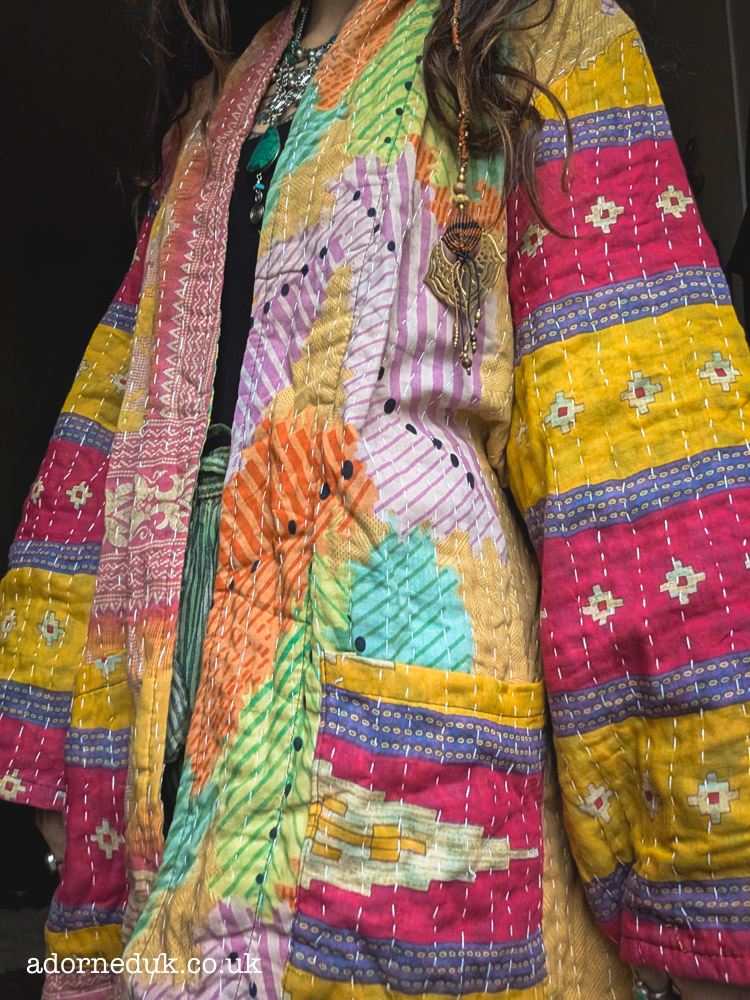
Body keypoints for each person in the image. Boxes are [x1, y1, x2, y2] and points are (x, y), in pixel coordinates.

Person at [1, 0, 749, 997]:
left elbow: (644, 469)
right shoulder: (211, 111)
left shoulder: (551, 39)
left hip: (412, 816)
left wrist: (703, 875)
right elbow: (106, 428)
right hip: (166, 769)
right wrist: (55, 749)